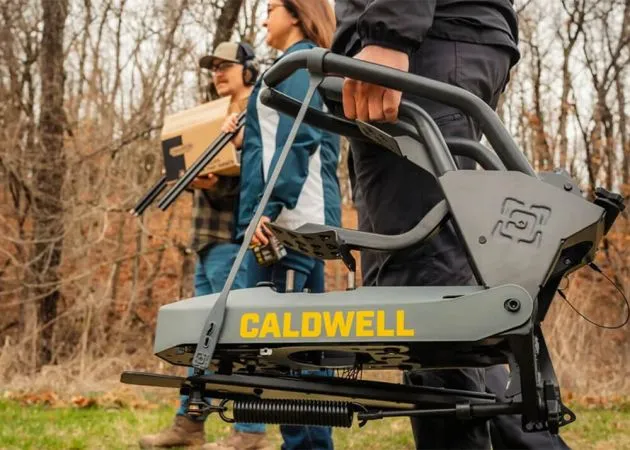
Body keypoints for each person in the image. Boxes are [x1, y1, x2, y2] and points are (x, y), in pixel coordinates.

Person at [332, 1, 570, 449]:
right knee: (436, 300)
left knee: (427, 301)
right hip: (429, 39)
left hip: (421, 40)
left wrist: (389, 32)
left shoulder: (398, 32)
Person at [139, 41, 272, 450]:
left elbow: (257, 180)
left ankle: (249, 431)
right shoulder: (213, 117)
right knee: (201, 337)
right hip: (206, 239)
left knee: (230, 337)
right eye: (213, 66)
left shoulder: (257, 111)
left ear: (249, 69)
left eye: (226, 65)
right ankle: (189, 423)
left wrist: (217, 181)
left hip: (233, 239)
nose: (218, 72)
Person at [221, 1, 341, 449]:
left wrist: (268, 208)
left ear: (295, 12)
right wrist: (245, 130)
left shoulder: (302, 64)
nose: (263, 17)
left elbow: (302, 138)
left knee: (290, 350)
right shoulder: (288, 68)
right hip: (279, 218)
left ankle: (308, 445)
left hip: (292, 225)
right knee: (290, 348)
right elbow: (270, 144)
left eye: (270, 7)